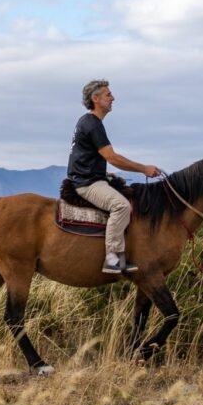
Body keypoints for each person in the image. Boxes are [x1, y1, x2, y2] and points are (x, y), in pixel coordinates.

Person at [67, 80, 163, 274]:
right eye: (108, 95)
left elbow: (87, 156)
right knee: (121, 206)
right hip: (87, 183)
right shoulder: (93, 124)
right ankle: (112, 258)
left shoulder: (89, 122)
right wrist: (144, 168)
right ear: (95, 99)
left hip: (91, 177)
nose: (113, 98)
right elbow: (112, 157)